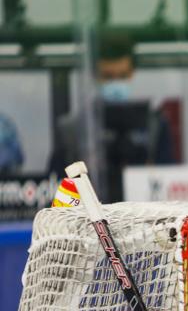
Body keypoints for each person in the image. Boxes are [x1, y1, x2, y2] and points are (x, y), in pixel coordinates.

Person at [48, 34, 174, 201]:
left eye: (122, 76)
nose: (116, 83)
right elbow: (55, 193)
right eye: (108, 76)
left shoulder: (155, 128)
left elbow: (170, 188)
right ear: (95, 75)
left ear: (132, 73)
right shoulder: (73, 132)